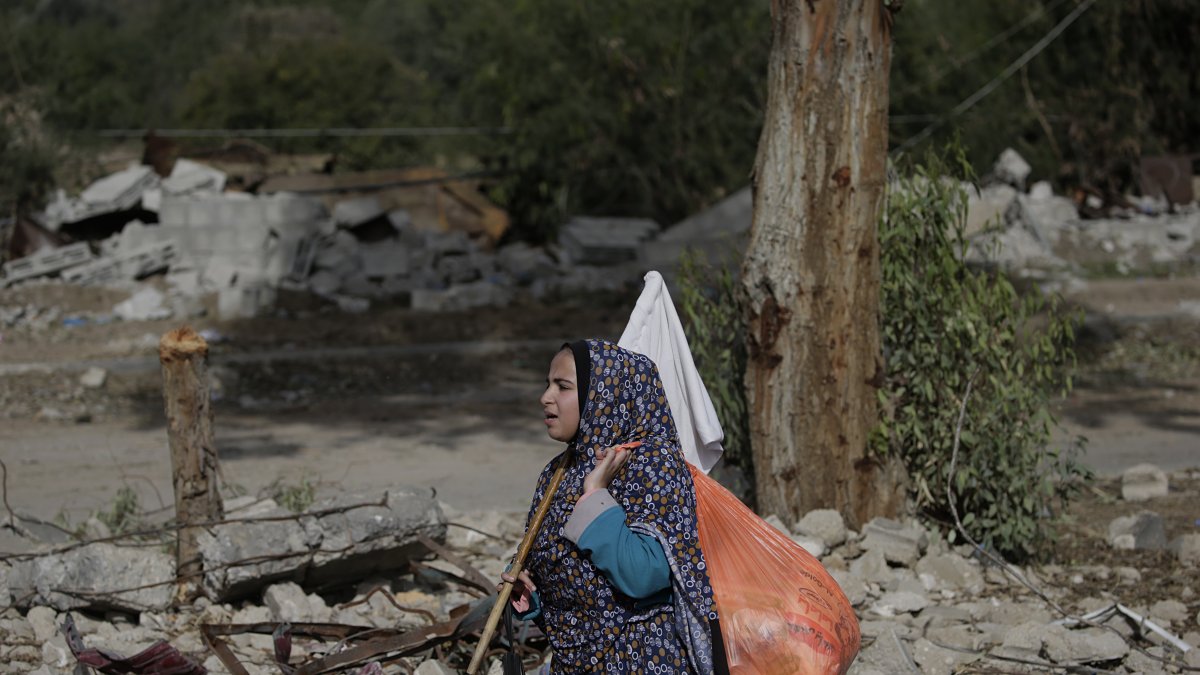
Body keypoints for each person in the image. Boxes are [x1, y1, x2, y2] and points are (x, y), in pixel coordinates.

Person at [500, 339, 726, 674]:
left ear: (603, 395)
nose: (545, 397)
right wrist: (529, 589)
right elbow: (567, 574)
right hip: (575, 662)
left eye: (562, 387)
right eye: (547, 385)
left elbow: (644, 576)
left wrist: (595, 495)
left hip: (640, 660)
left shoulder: (653, 462)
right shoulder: (557, 472)